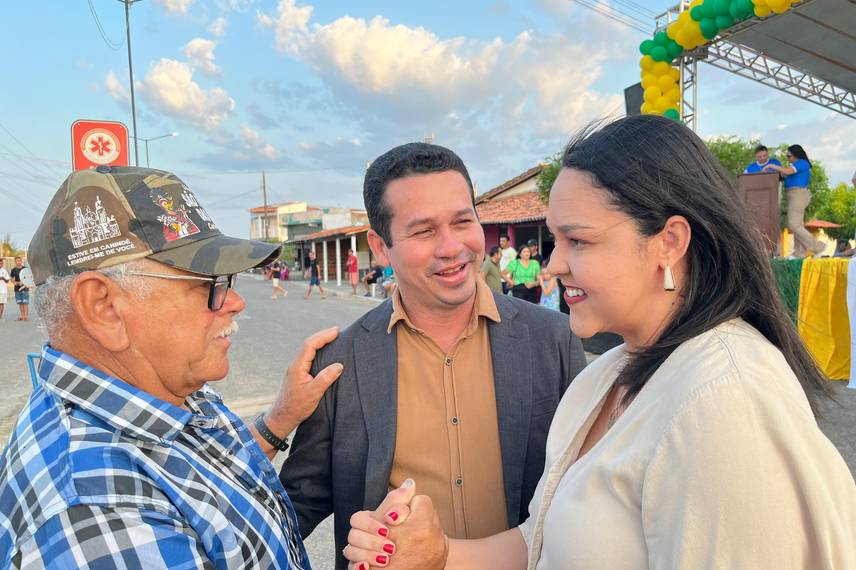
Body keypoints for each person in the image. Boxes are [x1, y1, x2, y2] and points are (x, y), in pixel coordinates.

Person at [344, 115, 856, 569]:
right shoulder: (606, 373)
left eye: (579, 241)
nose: (554, 264)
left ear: (669, 242)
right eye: (555, 239)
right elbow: (543, 537)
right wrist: (441, 554)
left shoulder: (724, 399)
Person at [0, 166, 345, 568]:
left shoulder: (151, 390)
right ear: (103, 307)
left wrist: (280, 418)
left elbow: (201, 477)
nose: (235, 302)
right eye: (208, 283)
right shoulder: (101, 513)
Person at [279, 142, 587, 569]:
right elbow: (292, 510)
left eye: (463, 221)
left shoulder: (553, 339)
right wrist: (273, 425)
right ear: (381, 247)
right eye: (423, 231)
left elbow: (587, 491)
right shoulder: (340, 361)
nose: (451, 247)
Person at [763, 144, 826, 258]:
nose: (788, 158)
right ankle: (799, 253)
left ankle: (818, 247)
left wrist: (771, 165)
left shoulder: (802, 163)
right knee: (798, 225)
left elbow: (788, 171)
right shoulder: (794, 166)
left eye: (789, 156)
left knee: (793, 225)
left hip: (799, 194)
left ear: (796, 155)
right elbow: (785, 174)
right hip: (793, 196)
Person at [9, 256, 28, 321]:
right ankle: (22, 316)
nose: (18, 262)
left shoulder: (25, 269)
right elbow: (11, 279)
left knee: (25, 302)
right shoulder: (13, 270)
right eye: (17, 261)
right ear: (15, 262)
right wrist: (16, 283)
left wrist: (23, 283)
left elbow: (28, 277)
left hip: (24, 288)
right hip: (17, 289)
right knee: (20, 303)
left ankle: (26, 316)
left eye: (19, 261)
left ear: (21, 261)